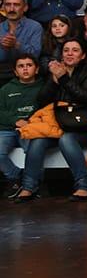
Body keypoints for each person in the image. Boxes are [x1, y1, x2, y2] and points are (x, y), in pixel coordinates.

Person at [16, 39, 87, 202]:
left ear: (83, 55)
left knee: (66, 139)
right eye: (66, 50)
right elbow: (42, 101)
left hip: (80, 127)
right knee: (38, 140)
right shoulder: (56, 71)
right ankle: (28, 187)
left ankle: (82, 187)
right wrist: (53, 82)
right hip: (56, 124)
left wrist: (64, 79)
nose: (70, 53)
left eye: (75, 50)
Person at [0, 56, 44, 199]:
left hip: (32, 129)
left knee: (33, 151)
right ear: (15, 71)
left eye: (29, 65)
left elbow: (47, 111)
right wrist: (16, 121)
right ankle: (17, 177)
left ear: (36, 69)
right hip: (7, 129)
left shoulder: (44, 87)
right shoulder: (6, 89)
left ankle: (35, 184)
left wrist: (30, 123)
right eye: (21, 66)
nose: (25, 68)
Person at [0, 0, 42, 83]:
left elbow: (35, 56)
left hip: (25, 75)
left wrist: (17, 45)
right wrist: (4, 47)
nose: (11, 8)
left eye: (16, 5)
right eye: (8, 4)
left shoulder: (35, 27)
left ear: (25, 8)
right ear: (3, 8)